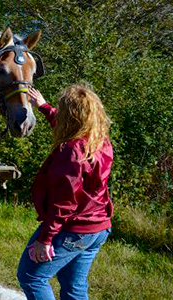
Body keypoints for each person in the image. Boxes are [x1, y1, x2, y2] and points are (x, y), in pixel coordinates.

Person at [16, 84, 114, 300]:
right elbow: (70, 132)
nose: (58, 114)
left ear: (70, 116)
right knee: (73, 287)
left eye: (62, 110)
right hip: (97, 229)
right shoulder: (100, 142)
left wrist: (46, 239)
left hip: (73, 229)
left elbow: (64, 203)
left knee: (31, 277)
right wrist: (44, 107)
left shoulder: (70, 151)